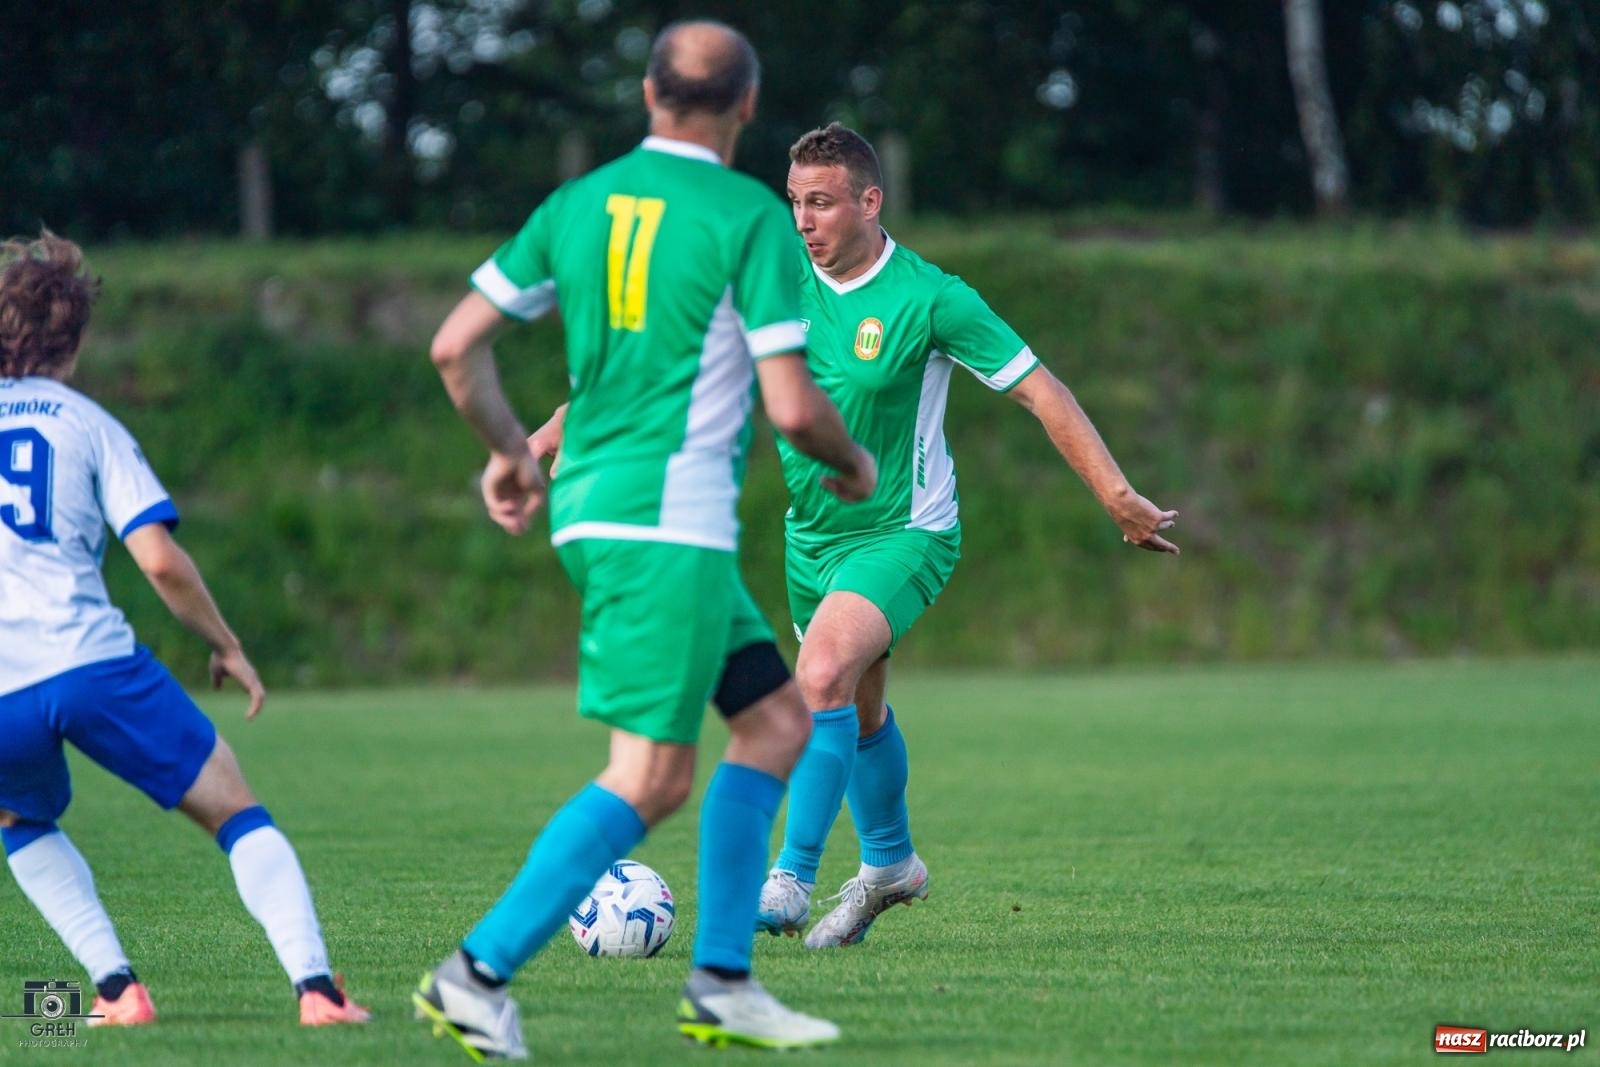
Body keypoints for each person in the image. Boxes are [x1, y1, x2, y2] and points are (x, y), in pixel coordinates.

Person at [413, 21, 875, 1061]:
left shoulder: (576, 207)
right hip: (662, 525)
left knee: (771, 722)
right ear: (747, 105)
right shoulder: (745, 215)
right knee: (652, 775)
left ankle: (721, 983)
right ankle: (474, 975)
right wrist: (852, 464)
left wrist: (511, 449)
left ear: (646, 93)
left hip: (625, 517)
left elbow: (455, 346)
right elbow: (794, 407)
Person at [752, 123, 1181, 948]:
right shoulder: (772, 285)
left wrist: (1116, 493)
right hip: (810, 542)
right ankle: (890, 866)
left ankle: (790, 875)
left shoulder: (932, 297)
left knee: (822, 670)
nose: (803, 221)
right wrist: (562, 427)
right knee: (858, 706)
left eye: (822, 203)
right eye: (795, 202)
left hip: (906, 531)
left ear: (870, 201)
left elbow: (1040, 391)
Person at [0, 232, 369, 1026]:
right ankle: (317, 992)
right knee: (235, 810)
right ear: (76, 338)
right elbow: (160, 561)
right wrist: (225, 641)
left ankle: (115, 991)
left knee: (21, 819)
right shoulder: (87, 423)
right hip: (89, 659)